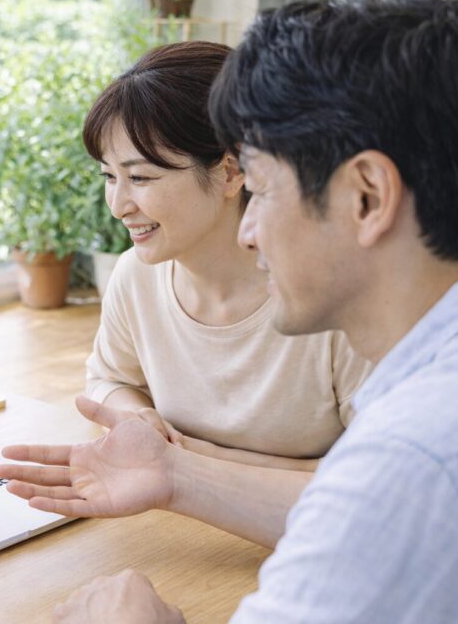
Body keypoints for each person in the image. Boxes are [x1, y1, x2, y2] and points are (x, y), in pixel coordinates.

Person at [0, 0, 458, 621]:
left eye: (264, 185)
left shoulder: (411, 462)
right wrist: (176, 471)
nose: (250, 229)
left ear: (367, 196)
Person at [81, 40, 370, 472]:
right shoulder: (135, 278)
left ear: (231, 172)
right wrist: (134, 415)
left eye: (139, 177)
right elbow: (108, 380)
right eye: (109, 176)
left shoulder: (335, 298)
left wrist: (200, 462)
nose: (119, 204)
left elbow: (376, 477)